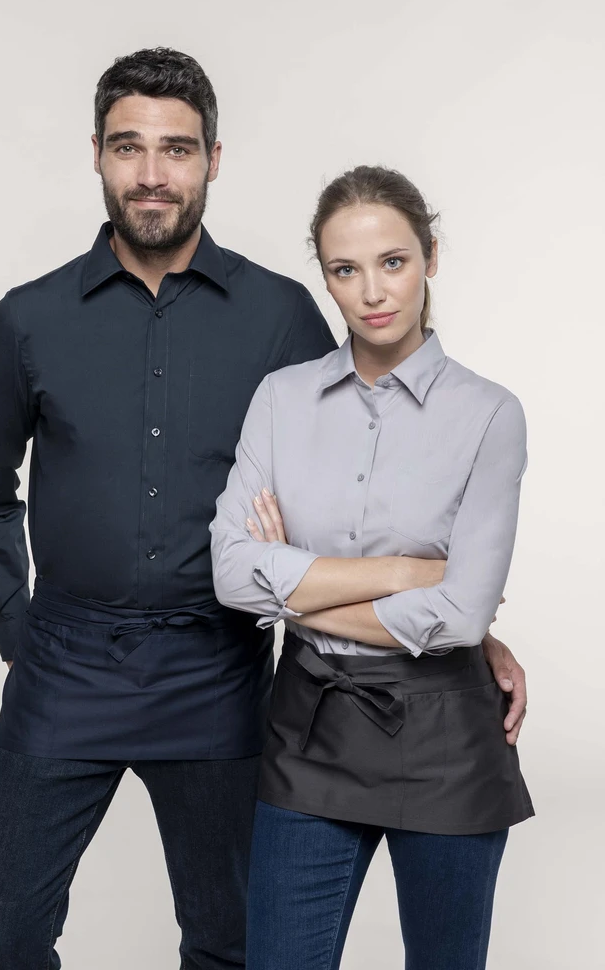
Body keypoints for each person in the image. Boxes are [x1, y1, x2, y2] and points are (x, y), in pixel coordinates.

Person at [0, 45, 527, 969]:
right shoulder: (26, 320)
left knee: (229, 942)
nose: (152, 174)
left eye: (176, 149)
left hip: (216, 670)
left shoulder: (281, 314)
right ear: (96, 155)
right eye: (128, 147)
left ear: (212, 159)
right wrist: (18, 628)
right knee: (6, 935)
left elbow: (360, 475)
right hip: (63, 666)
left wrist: (468, 631)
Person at [210, 164, 534, 970]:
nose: (372, 292)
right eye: (344, 270)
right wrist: (398, 572)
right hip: (308, 726)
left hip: (447, 737)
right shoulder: (280, 399)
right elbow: (230, 572)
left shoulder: (489, 414)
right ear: (325, 278)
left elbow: (460, 615)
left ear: (430, 256)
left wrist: (292, 591)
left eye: (392, 261)